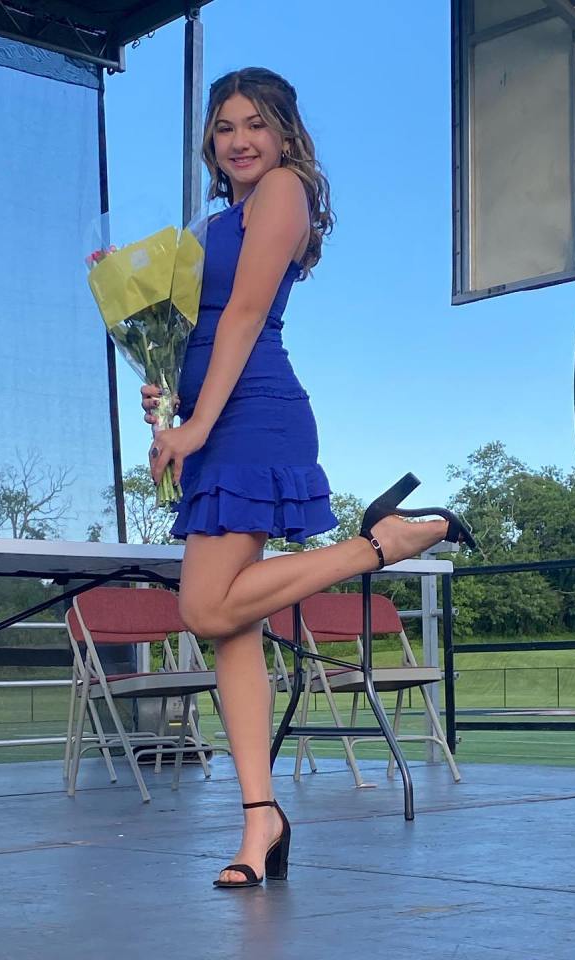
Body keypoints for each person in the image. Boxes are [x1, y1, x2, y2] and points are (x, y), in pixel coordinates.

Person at [141, 67, 473, 890]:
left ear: (285, 134)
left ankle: (377, 545)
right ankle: (261, 825)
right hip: (216, 411)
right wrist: (164, 392)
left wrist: (199, 423)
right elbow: (203, 325)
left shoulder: (281, 191)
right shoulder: (217, 221)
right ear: (211, 144)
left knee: (204, 604)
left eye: (256, 123)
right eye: (224, 128)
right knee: (229, 625)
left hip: (253, 409)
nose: (240, 139)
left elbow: (247, 318)